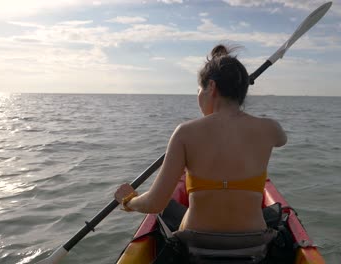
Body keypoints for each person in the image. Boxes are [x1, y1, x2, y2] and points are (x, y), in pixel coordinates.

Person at [114, 44, 287, 260]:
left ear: (211, 87)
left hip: (196, 247)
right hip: (254, 245)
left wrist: (128, 201)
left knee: (168, 212)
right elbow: (282, 139)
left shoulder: (185, 132)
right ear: (242, 92)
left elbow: (155, 203)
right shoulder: (270, 128)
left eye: (199, 89)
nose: (198, 95)